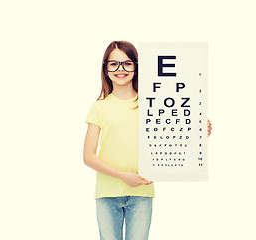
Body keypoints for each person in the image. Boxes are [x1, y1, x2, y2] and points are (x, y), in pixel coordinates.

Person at [83, 40, 212, 240]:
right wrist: (124, 176)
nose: (121, 69)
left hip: (142, 192)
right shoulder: (100, 107)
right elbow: (89, 157)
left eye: (127, 63)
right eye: (114, 63)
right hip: (107, 193)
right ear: (106, 69)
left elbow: (171, 133)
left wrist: (196, 130)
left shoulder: (152, 104)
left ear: (136, 67)